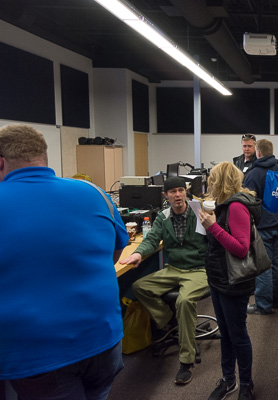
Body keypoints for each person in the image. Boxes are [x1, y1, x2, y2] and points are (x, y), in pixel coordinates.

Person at [0, 124, 129, 399]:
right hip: (105, 340)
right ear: (43, 157)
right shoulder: (94, 193)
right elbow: (115, 253)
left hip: (41, 354)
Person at [119, 176, 209, 385]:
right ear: (165, 196)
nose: (177, 195)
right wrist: (138, 254)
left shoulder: (199, 212)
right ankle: (168, 319)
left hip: (198, 269)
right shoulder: (163, 217)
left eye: (180, 190)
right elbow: (151, 239)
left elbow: (214, 237)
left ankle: (186, 362)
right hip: (174, 269)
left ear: (185, 192)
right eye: (172, 192)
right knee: (140, 286)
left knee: (185, 301)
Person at [195, 161, 262, 400]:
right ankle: (228, 380)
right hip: (218, 278)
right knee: (226, 333)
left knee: (238, 334)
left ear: (220, 182)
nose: (209, 183)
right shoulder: (223, 205)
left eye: (212, 179)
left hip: (234, 282)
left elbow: (242, 249)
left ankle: (246, 384)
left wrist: (213, 227)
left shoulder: (236, 207)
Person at [243, 139, 278, 315]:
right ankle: (275, 300)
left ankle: (263, 306)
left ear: (258, 152)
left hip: (263, 227)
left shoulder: (254, 173)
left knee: (263, 265)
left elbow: (247, 200)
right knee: (277, 264)